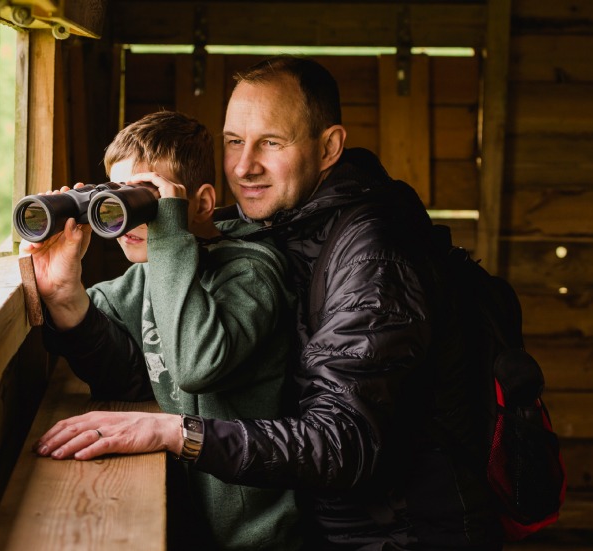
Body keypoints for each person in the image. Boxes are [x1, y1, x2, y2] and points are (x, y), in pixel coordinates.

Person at [35, 56, 503, 550]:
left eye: (271, 143)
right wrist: (64, 295)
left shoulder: (374, 256)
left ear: (329, 148)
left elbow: (342, 443)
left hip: (398, 535)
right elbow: (155, 369)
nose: (243, 166)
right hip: (330, 524)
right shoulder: (279, 225)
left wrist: (177, 434)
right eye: (234, 141)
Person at [25, 110, 302, 550]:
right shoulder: (148, 275)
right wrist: (64, 293)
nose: (126, 220)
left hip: (253, 536)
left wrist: (169, 236)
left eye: (145, 201)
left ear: (201, 204)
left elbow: (195, 365)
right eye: (112, 200)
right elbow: (125, 373)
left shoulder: (251, 274)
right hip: (189, 519)